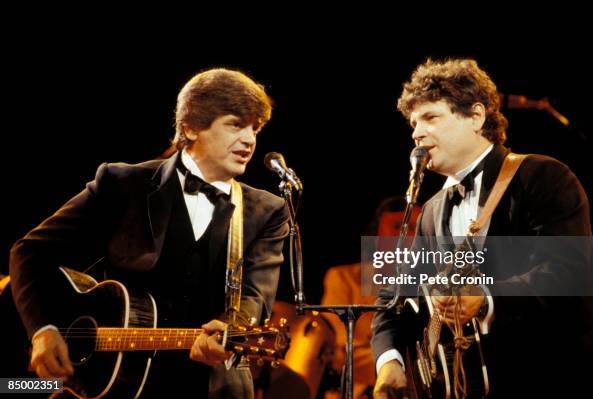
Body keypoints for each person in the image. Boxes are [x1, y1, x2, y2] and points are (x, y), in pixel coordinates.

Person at [9, 68, 289, 398]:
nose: (249, 139)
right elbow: (29, 251)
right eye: (235, 124)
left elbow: (254, 298)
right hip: (108, 385)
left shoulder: (267, 210)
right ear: (191, 126)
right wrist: (43, 329)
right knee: (12, 391)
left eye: (255, 128)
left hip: (213, 387)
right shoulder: (121, 183)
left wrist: (230, 330)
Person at [371, 59, 593, 398]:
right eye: (413, 122)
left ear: (476, 116)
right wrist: (390, 361)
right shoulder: (430, 211)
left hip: (567, 373)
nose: (416, 132)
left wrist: (485, 297)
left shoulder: (543, 175)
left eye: (430, 117)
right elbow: (394, 297)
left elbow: (566, 270)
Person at [321, 197, 419, 399]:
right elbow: (339, 351)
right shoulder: (343, 279)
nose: (407, 237)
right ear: (376, 237)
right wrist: (398, 366)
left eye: (416, 229)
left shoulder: (433, 286)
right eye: (397, 227)